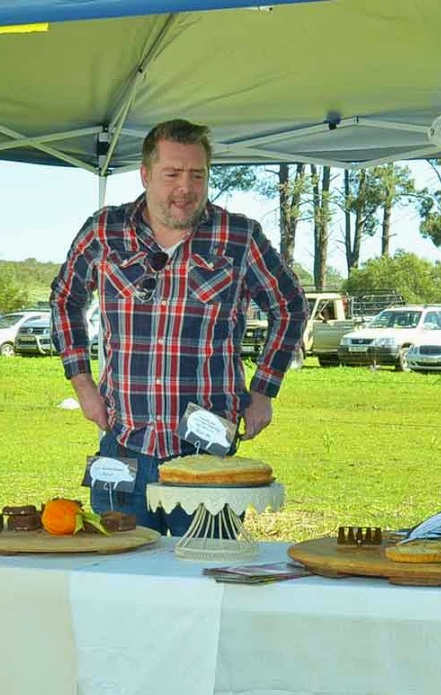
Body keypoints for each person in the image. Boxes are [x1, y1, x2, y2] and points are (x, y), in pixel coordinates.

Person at [50, 119, 306, 533]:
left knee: (205, 582)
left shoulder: (238, 237)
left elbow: (290, 306)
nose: (185, 188)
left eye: (196, 175)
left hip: (207, 454)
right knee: (121, 580)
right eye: (172, 174)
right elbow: (65, 299)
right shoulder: (104, 232)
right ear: (146, 174)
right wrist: (83, 386)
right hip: (124, 444)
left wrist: (263, 390)